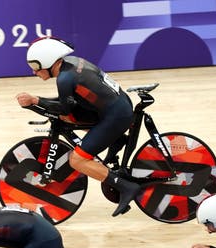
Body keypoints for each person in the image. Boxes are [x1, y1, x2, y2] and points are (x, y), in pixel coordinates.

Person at [15, 36, 139, 217]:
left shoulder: (65, 79)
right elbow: (69, 104)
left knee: (77, 160)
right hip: (117, 107)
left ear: (49, 61)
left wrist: (36, 101)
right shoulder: (72, 63)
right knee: (70, 118)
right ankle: (117, 140)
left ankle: (126, 187)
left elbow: (63, 108)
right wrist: (38, 101)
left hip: (115, 116)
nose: (34, 72)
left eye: (36, 66)